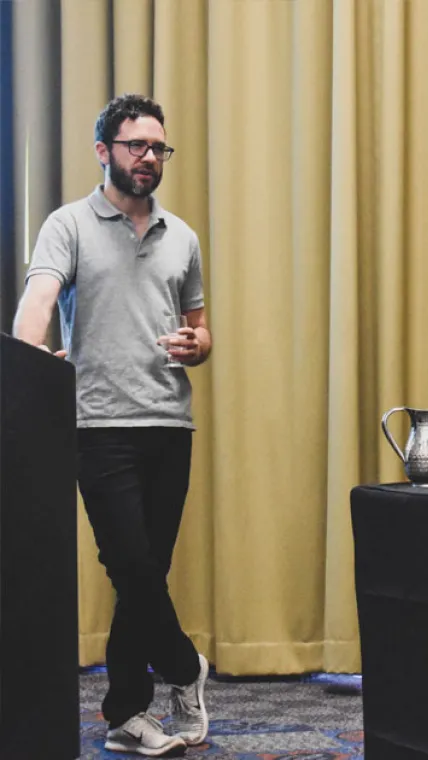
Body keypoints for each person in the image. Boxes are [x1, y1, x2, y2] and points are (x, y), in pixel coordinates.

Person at [13, 94, 211, 756]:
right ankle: (185, 668)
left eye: (159, 147)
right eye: (137, 146)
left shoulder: (181, 236)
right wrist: (32, 357)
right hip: (97, 426)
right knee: (129, 563)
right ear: (105, 151)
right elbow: (35, 307)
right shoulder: (67, 225)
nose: (150, 157)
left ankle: (127, 716)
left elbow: (201, 328)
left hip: (170, 424)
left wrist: (197, 346)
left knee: (145, 572)